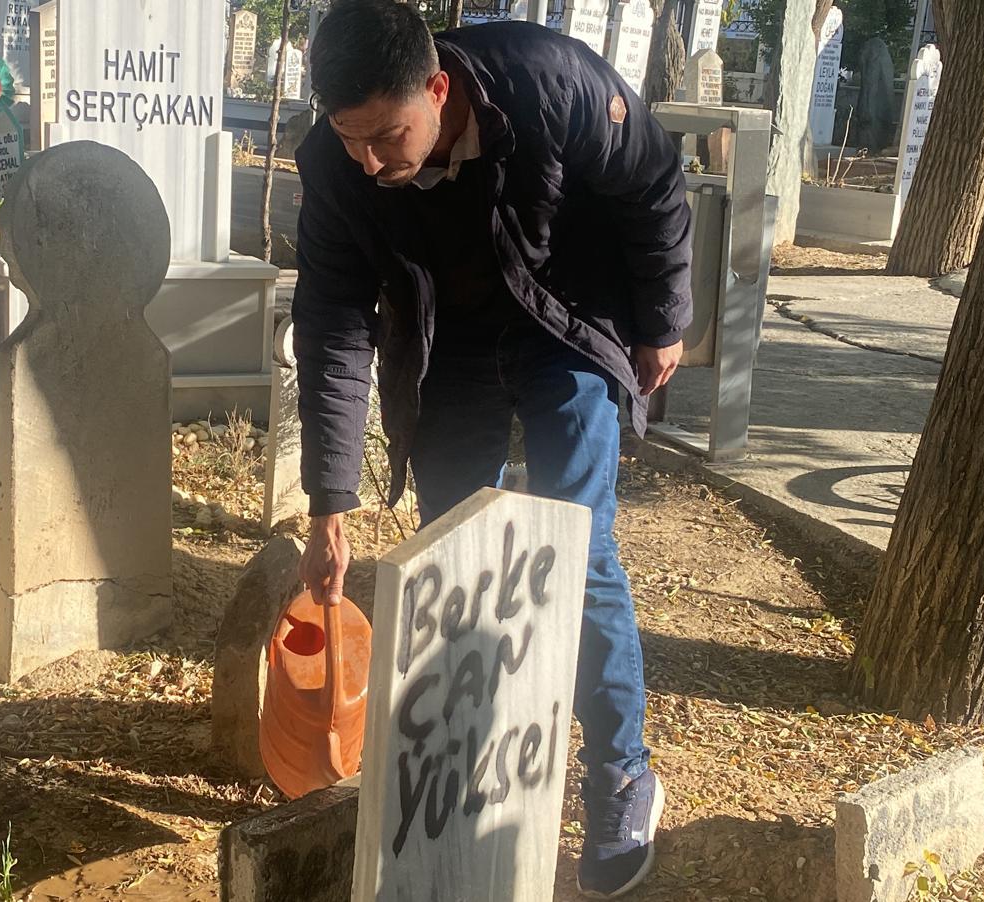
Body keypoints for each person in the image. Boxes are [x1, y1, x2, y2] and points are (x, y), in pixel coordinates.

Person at [292, 2, 692, 897]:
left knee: (578, 549)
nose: (369, 162)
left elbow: (653, 182)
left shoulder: (550, 79)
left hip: (568, 319)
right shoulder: (337, 163)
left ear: (437, 89)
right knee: (454, 565)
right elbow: (332, 324)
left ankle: (622, 772)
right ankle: (472, 760)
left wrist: (664, 322)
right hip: (449, 349)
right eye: (351, 140)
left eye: (387, 137)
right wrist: (330, 501)